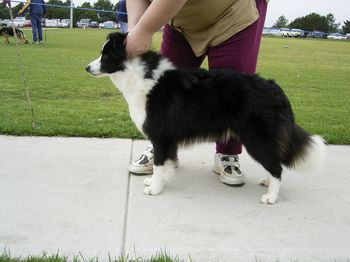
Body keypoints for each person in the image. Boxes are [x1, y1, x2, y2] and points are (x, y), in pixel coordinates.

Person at [127, 0, 268, 186]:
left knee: (232, 92)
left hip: (233, 13)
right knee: (165, 89)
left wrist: (145, 29)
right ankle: (163, 149)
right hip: (181, 21)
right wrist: (134, 30)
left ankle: (228, 153)